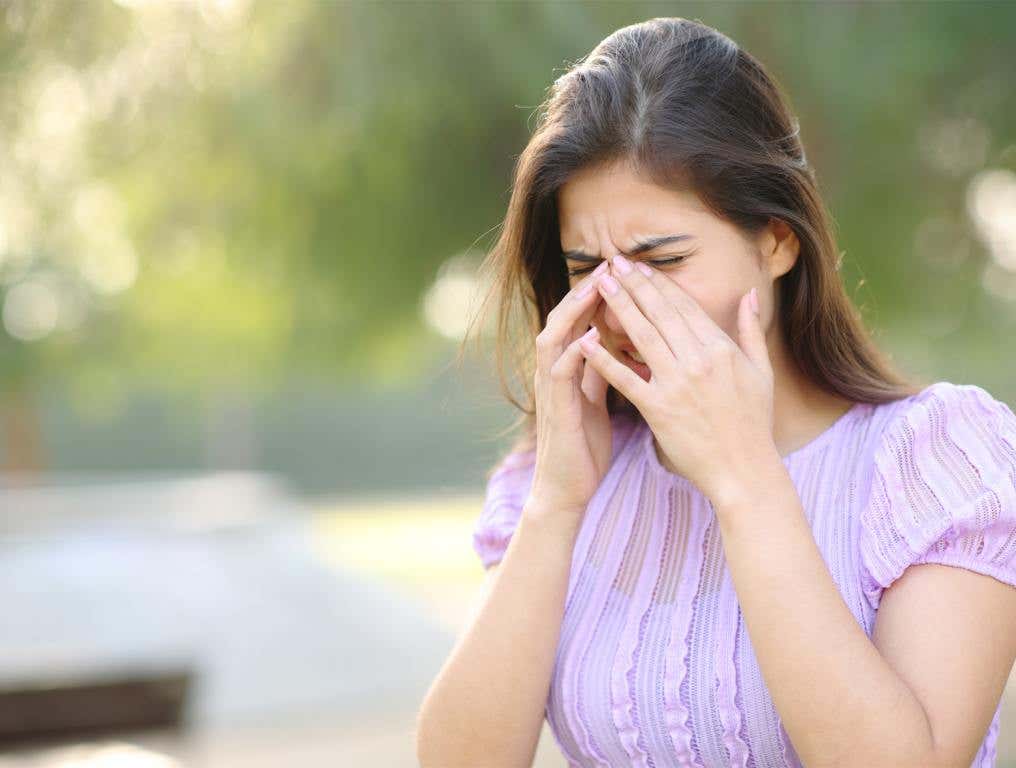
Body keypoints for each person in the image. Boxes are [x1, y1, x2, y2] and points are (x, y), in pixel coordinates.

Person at [416, 17, 1016, 768]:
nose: (619, 305)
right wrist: (556, 502)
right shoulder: (564, 480)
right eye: (584, 269)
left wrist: (741, 477)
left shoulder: (938, 461)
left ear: (776, 241)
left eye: (659, 260)